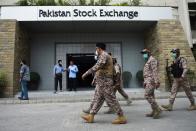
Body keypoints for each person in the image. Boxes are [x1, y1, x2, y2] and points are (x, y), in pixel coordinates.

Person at [81, 43, 127, 124]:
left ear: (99, 48)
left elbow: (97, 66)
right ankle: (91, 116)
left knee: (111, 99)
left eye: (96, 49)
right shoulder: (102, 55)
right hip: (101, 82)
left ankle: (121, 117)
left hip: (106, 82)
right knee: (98, 99)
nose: (96, 51)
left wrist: (86, 73)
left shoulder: (104, 55)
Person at [141, 49, 162, 119]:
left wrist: (156, 81)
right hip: (148, 80)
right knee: (151, 96)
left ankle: (158, 109)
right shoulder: (148, 60)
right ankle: (154, 110)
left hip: (151, 81)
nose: (143, 55)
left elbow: (154, 71)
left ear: (148, 53)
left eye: (145, 53)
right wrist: (145, 82)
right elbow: (147, 72)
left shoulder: (152, 60)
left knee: (147, 95)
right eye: (143, 53)